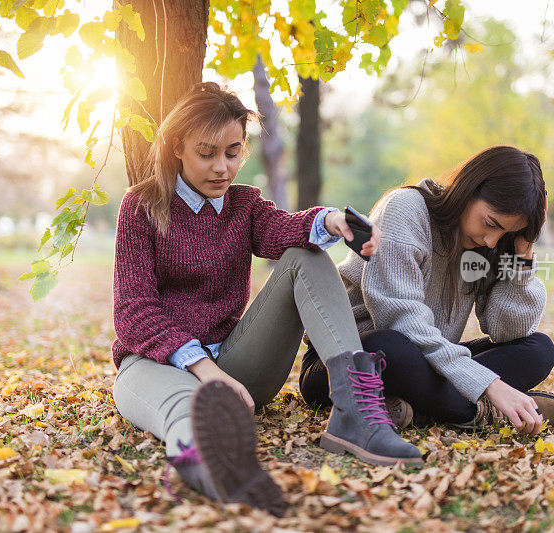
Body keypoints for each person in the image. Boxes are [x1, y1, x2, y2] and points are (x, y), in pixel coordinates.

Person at [110, 82, 423, 517]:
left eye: (233, 152)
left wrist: (332, 219)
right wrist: (202, 368)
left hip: (236, 367)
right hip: (154, 367)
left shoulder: (243, 204)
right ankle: (203, 461)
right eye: (207, 153)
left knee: (305, 256)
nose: (222, 167)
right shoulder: (142, 206)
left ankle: (355, 409)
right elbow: (132, 312)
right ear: (177, 147)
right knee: (195, 410)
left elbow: (283, 229)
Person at [299, 146, 554, 436]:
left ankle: (413, 407)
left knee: (538, 349)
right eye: (491, 224)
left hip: (428, 360)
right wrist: (489, 385)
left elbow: (506, 331)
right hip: (342, 360)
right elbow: (399, 320)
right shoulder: (405, 209)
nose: (492, 240)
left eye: (506, 232)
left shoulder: (486, 246)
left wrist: (522, 254)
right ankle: (478, 412)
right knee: (392, 347)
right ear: (469, 189)